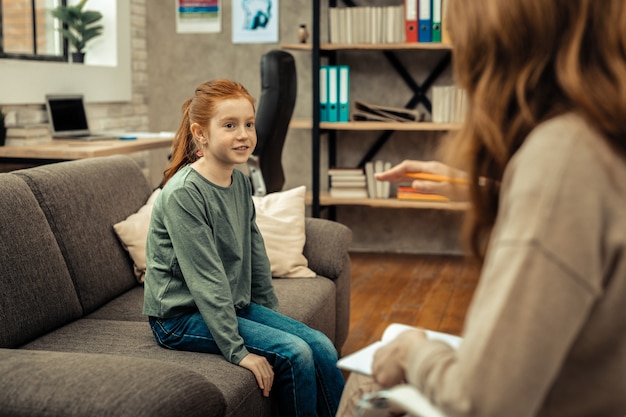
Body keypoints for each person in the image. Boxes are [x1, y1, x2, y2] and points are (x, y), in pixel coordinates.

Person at [337, 0, 626, 416]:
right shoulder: (601, 137)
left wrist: (416, 350)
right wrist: (477, 188)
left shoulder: (563, 157)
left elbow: (483, 402)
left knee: (367, 382)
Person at [142, 79, 344, 417]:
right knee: (296, 353)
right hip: (179, 318)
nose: (244, 134)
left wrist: (269, 316)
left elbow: (255, 252)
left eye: (249, 124)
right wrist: (239, 351)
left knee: (321, 346)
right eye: (230, 125)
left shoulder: (240, 179)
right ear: (200, 133)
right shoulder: (183, 194)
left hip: (231, 305)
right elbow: (207, 281)